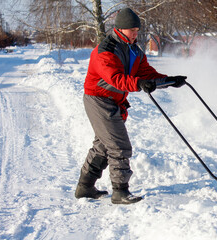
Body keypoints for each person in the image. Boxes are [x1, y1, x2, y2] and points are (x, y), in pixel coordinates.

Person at [74, 8, 187, 204]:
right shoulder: (105, 50)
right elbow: (116, 79)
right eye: (132, 30)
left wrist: (168, 80)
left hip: (114, 100)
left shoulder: (134, 49)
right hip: (99, 99)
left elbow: (146, 73)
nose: (136, 34)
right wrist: (138, 84)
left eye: (137, 30)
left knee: (103, 146)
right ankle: (120, 191)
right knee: (118, 145)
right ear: (120, 29)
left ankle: (85, 188)